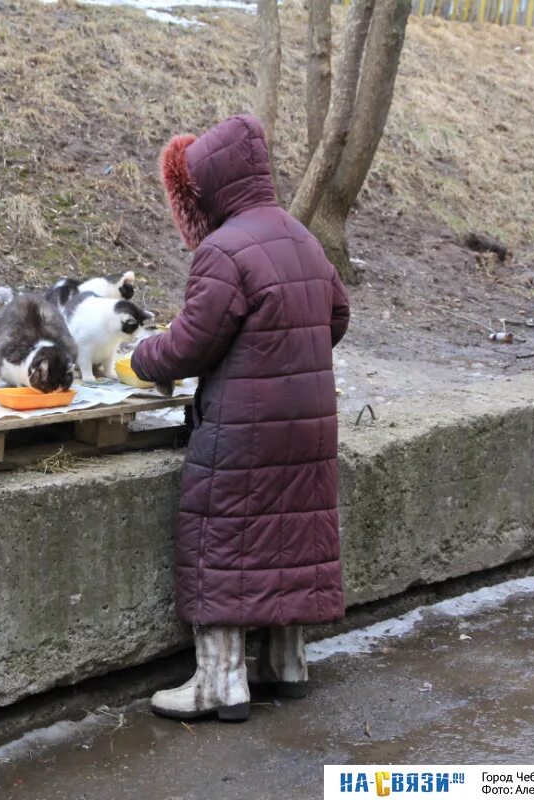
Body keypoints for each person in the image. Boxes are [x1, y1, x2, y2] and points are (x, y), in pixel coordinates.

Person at [131, 114, 350, 722]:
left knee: (219, 533)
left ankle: (221, 682)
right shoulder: (301, 237)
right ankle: (287, 664)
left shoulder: (223, 251)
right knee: (294, 533)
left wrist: (138, 360)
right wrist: (287, 354)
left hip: (244, 428)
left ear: (212, 185)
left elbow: (188, 346)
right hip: (309, 421)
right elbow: (336, 316)